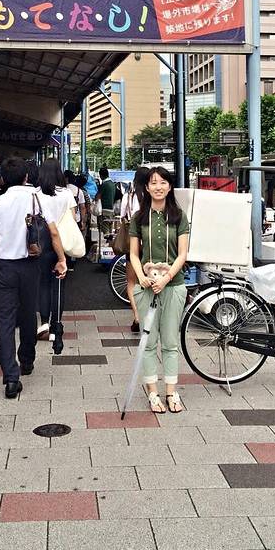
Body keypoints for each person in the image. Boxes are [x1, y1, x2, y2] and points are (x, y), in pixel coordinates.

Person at [0, 157, 67, 399]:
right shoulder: (37, 199)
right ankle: (26, 360)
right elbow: (53, 233)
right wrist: (61, 259)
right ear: (26, 177)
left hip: (4, 268)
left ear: (2, 179)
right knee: (27, 314)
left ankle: (11, 378)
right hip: (30, 266)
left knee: (4, 320)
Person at [129, 166, 190, 415]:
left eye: (163, 182)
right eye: (153, 182)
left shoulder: (179, 216)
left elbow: (183, 254)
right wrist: (142, 277)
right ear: (146, 187)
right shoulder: (138, 217)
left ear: (169, 186)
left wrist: (166, 279)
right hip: (145, 288)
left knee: (171, 342)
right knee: (148, 342)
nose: (158, 187)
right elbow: (134, 254)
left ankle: (171, 392)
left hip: (173, 286)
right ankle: (153, 393)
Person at [35, 158, 76, 341]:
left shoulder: (36, 194)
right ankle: (55, 327)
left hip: (42, 242)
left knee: (43, 283)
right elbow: (73, 219)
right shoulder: (66, 193)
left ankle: (44, 322)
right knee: (59, 284)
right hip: (62, 241)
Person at [120, 166, 150, 332]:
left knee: (132, 281)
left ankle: (137, 316)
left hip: (134, 242)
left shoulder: (129, 196)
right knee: (150, 277)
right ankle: (150, 315)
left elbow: (122, 217)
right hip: (150, 242)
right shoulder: (153, 197)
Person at [96, 166, 116, 237]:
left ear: (101, 175)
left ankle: (107, 242)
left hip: (104, 210)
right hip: (111, 209)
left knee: (105, 232)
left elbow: (98, 196)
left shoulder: (104, 184)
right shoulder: (112, 184)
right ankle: (110, 242)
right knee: (110, 231)